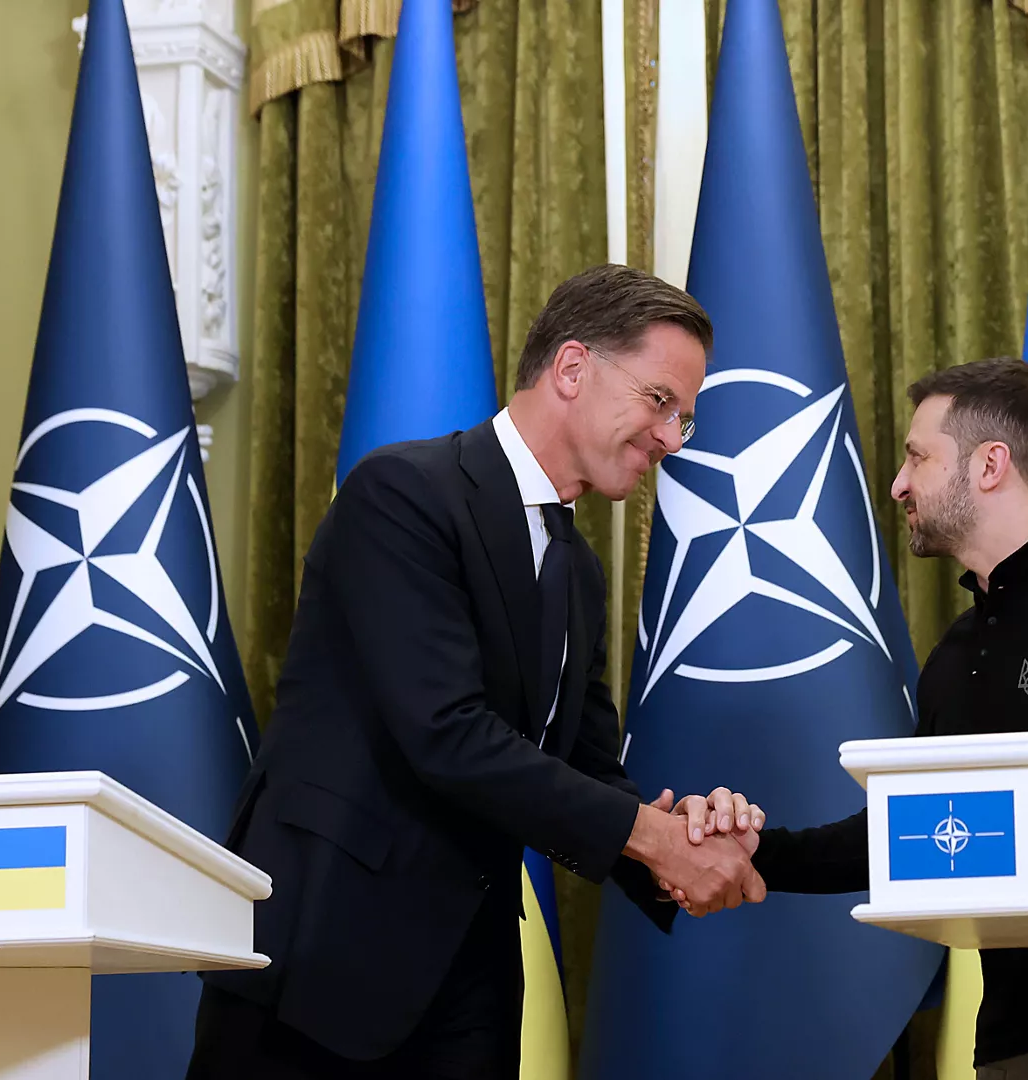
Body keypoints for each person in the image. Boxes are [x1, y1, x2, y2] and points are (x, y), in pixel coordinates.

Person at [187, 265, 766, 1080]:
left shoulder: (579, 572)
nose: (671, 439)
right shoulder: (403, 495)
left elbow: (586, 770)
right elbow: (447, 733)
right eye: (660, 401)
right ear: (572, 368)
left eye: (684, 418)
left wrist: (689, 833)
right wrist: (653, 839)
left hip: (470, 988)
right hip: (321, 972)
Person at [671, 356, 1028, 1080]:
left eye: (918, 458)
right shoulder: (955, 653)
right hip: (1013, 1042)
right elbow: (914, 832)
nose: (898, 484)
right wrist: (750, 850)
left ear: (990, 465)